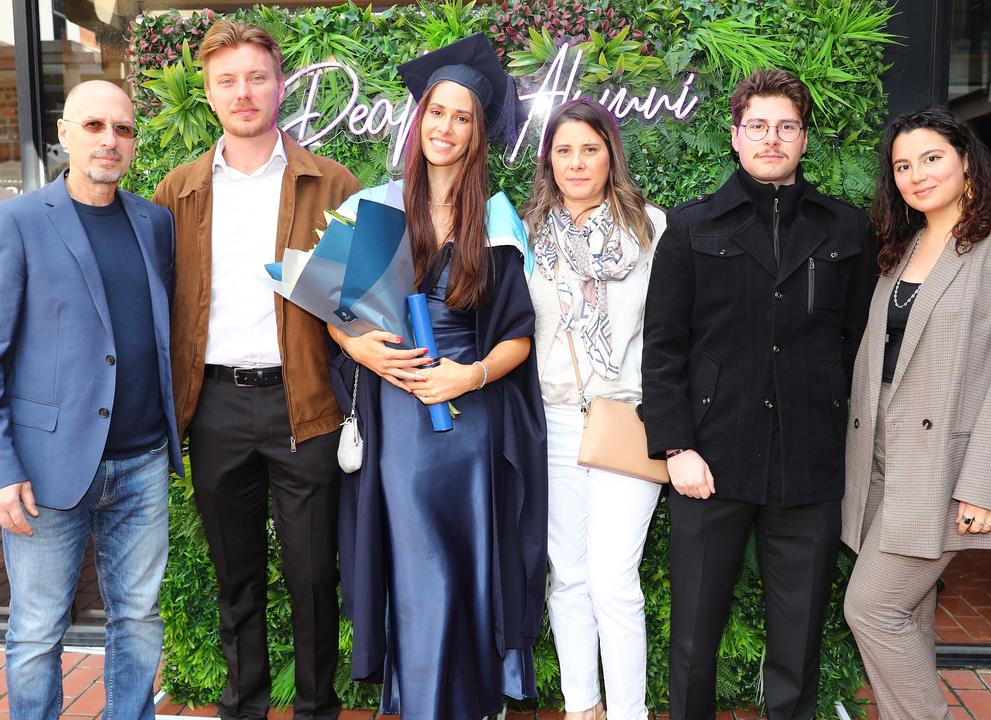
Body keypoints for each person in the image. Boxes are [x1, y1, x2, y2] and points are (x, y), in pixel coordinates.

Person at [641, 68, 877, 720]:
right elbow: (662, 348)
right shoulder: (690, 228)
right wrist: (675, 445)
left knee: (798, 638)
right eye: (758, 126)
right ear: (735, 134)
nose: (772, 138)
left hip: (809, 461)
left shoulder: (846, 230)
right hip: (709, 461)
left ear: (804, 138)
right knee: (692, 634)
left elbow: (857, 341)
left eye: (786, 126)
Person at [330, 33, 546, 720]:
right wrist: (361, 351)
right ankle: (423, 701)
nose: (445, 128)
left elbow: (518, 336)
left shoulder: (498, 221)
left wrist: (471, 376)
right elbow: (333, 313)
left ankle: (477, 701)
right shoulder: (378, 205)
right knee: (419, 567)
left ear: (478, 133)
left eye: (462, 117)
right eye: (435, 112)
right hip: (400, 417)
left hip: (469, 418)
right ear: (417, 119)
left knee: (471, 561)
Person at [150, 20, 360, 720]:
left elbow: (359, 303)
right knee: (235, 580)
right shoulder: (175, 192)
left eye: (257, 77)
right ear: (209, 94)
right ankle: (244, 708)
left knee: (311, 576)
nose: (244, 92)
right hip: (212, 407)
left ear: (280, 85)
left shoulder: (331, 183)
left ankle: (315, 709)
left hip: (304, 404)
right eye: (227, 81)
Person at [0, 80, 183, 720]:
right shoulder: (13, 222)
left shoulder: (153, 222)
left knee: (137, 617)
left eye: (124, 129)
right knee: (36, 631)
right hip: (44, 469)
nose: (110, 140)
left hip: (141, 461)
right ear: (63, 132)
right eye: (94, 126)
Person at [842, 108, 991, 720]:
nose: (916, 175)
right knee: (905, 611)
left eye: (931, 158)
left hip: (948, 463)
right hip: (884, 455)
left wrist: (987, 484)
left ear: (966, 158)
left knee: (872, 608)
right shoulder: (905, 244)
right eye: (903, 166)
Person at [521, 98, 664, 720]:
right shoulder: (524, 233)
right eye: (563, 149)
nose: (576, 162)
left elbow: (671, 331)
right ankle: (583, 706)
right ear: (547, 159)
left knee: (612, 576)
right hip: (551, 417)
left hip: (626, 417)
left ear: (612, 155)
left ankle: (628, 712)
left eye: (590, 149)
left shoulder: (651, 229)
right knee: (569, 574)